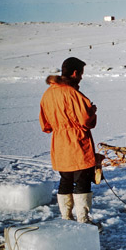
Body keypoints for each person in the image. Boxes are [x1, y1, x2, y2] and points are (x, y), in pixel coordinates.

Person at [39, 57, 98, 224]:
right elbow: (86, 121)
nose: (81, 77)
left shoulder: (48, 94)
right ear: (75, 73)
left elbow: (45, 125)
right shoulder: (73, 93)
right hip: (77, 143)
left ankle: (66, 218)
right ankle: (83, 220)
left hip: (59, 143)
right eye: (81, 74)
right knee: (82, 180)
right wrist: (92, 111)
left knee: (65, 179)